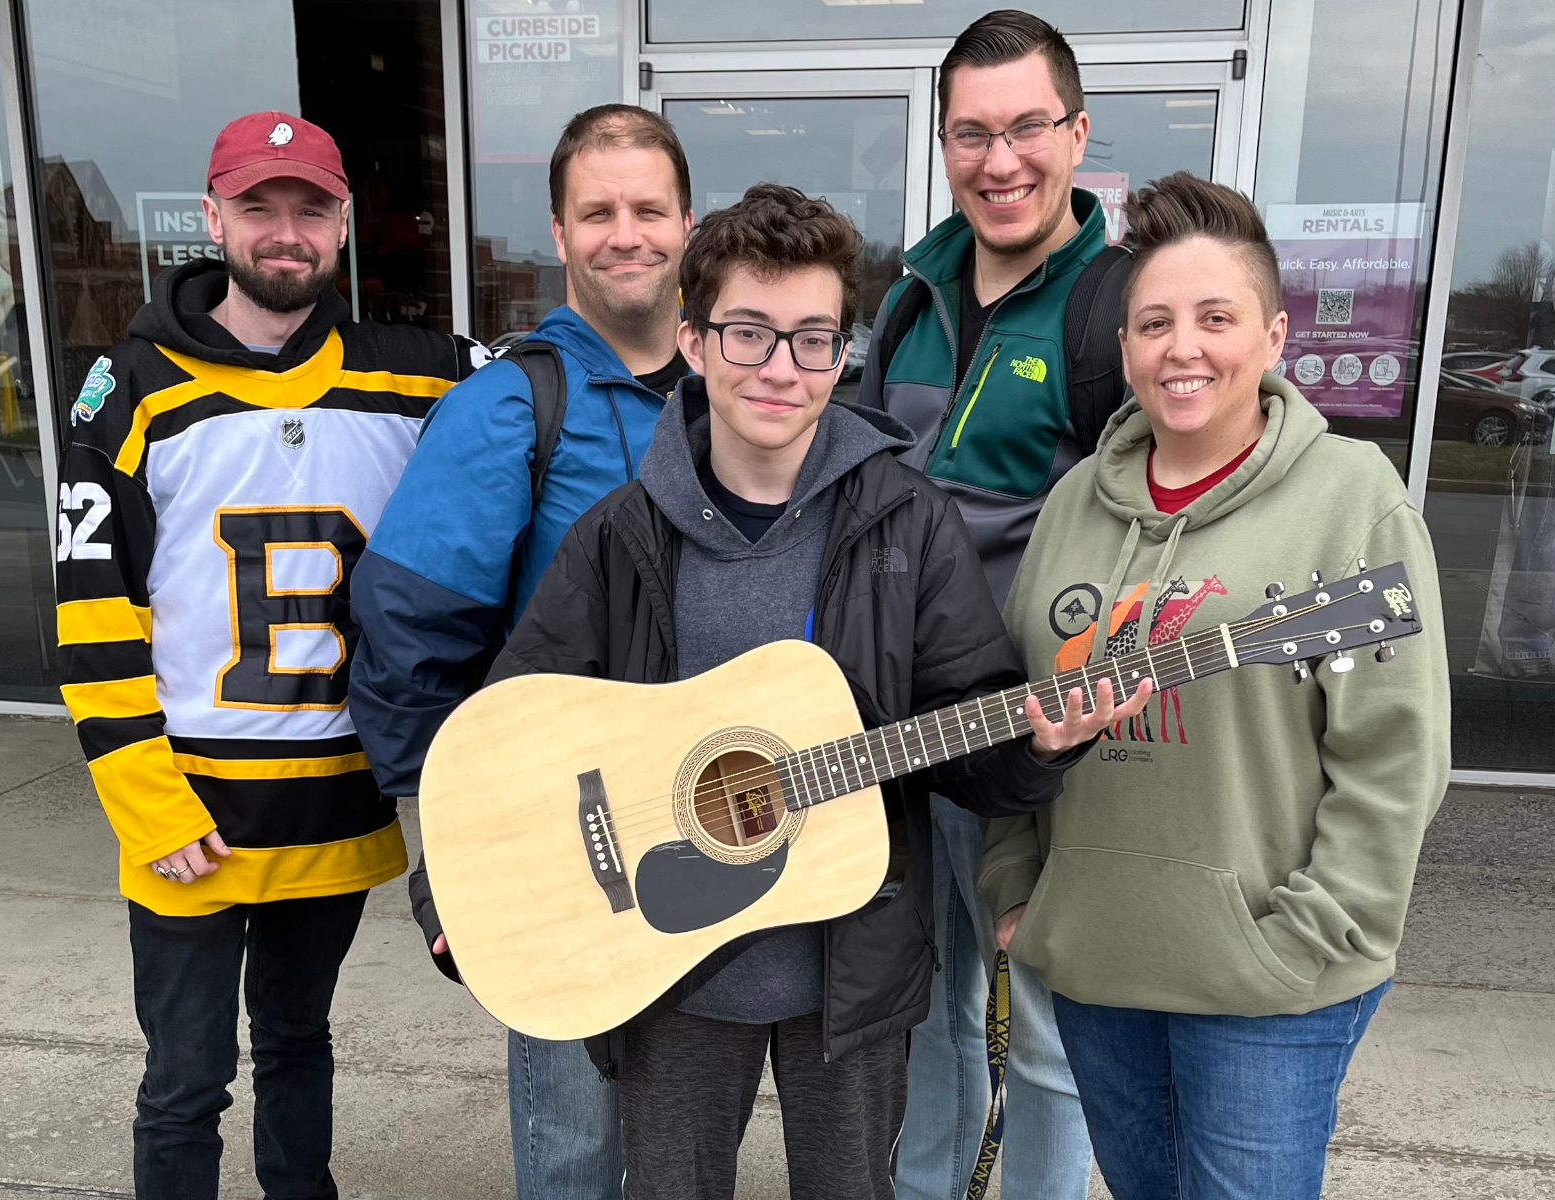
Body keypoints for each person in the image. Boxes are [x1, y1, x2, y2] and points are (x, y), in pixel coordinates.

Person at [479, 181, 1142, 1200]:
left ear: (846, 352)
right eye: (749, 333)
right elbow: (510, 721)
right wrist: (460, 897)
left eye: (813, 339)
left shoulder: (907, 522)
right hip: (667, 967)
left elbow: (972, 724)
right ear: (694, 342)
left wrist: (1044, 741)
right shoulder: (622, 532)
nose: (781, 369)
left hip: (853, 961)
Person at [981, 172, 1451, 1199]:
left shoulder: (1352, 500)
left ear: (1275, 337)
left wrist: (1313, 937)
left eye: (1214, 317)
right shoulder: (1073, 505)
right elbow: (1021, 713)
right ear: (1126, 349)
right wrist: (1020, 892)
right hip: (1103, 965)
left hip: (1270, 989)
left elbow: (1396, 754)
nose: (1181, 347)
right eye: (1154, 322)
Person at [53, 111, 482, 1200]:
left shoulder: (422, 374)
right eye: (258, 207)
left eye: (309, 209)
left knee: (299, 1044)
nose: (284, 231)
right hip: (191, 809)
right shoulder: (130, 386)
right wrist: (150, 801)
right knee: (185, 1080)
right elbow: (92, 614)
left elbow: (568, 385)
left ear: (342, 224)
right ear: (212, 218)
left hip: (333, 804)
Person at [346, 104, 693, 1199]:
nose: (625, 233)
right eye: (598, 211)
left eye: (649, 208)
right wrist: (447, 859)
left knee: (688, 1141)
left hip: (709, 821)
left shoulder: (743, 393)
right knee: (577, 1153)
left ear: (689, 222)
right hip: (558, 849)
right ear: (557, 230)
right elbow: (405, 637)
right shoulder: (508, 410)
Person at [854, 12, 1124, 1198]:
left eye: (1028, 128)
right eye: (973, 133)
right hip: (903, 729)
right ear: (945, 142)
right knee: (919, 1005)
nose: (1000, 160)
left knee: (1051, 1027)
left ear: (1077, 132)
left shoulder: (1113, 310)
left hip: (1035, 736)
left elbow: (1147, 534)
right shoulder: (909, 298)